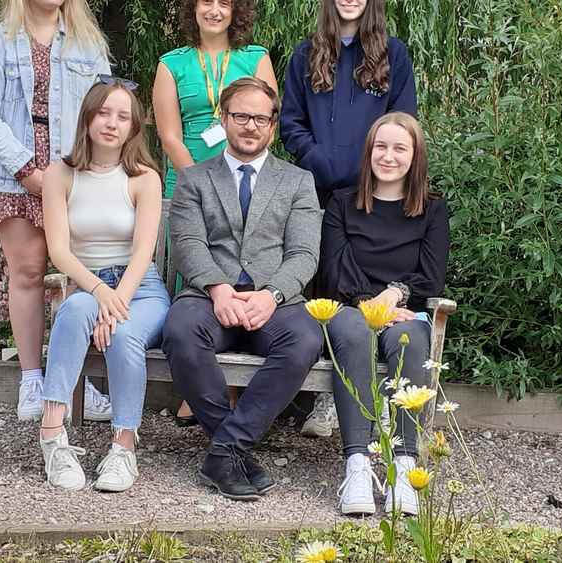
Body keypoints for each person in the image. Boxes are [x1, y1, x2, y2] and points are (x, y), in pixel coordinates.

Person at [162, 77, 324, 501]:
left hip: (274, 301)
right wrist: (218, 288)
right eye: (240, 116)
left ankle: (224, 449)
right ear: (224, 119)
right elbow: (188, 245)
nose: (250, 126)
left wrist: (271, 295)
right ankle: (232, 449)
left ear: (273, 125)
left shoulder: (297, 182)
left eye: (260, 118)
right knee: (179, 331)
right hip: (209, 297)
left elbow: (304, 254)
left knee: (306, 338)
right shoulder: (195, 179)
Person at [0, 0, 113, 422]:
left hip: (74, 177)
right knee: (28, 274)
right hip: (12, 177)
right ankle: (32, 380)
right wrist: (28, 171)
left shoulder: (88, 45)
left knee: (78, 278)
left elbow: (104, 108)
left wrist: (86, 171)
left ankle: (72, 380)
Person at [279, 0, 417, 439]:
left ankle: (362, 395)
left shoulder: (392, 54)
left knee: (361, 277)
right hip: (317, 187)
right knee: (323, 283)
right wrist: (318, 159)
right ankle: (316, 397)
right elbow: (290, 121)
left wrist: (369, 168)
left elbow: (403, 121)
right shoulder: (306, 53)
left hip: (371, 190)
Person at [38, 79, 170, 491]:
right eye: (103, 113)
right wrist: (98, 293)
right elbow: (59, 251)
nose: (111, 123)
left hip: (140, 288)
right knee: (74, 311)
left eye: (122, 116)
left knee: (125, 334)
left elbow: (143, 253)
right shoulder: (60, 175)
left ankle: (123, 449)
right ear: (88, 118)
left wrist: (117, 304)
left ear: (134, 126)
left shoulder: (144, 178)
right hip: (87, 285)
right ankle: (52, 437)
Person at [153, 0, 278, 427]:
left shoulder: (255, 58)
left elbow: (266, 123)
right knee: (194, 278)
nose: (214, 9)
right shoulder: (172, 64)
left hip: (244, 181)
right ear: (193, 9)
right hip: (188, 184)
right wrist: (200, 184)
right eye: (206, 1)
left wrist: (229, 183)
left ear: (235, 11)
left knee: (239, 270)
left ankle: (231, 386)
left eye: (224, 2)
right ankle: (194, 385)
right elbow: (169, 134)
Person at [320, 112, 449, 515]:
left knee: (410, 340)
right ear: (368, 151)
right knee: (356, 334)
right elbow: (334, 265)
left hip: (404, 309)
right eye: (381, 146)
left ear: (415, 156)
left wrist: (394, 296)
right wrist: (368, 305)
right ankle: (357, 464)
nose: (388, 156)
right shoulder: (342, 202)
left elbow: (432, 275)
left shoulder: (432, 209)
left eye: (399, 148)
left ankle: (403, 464)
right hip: (349, 306)